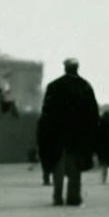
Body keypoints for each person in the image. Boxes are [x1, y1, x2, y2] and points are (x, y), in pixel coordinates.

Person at [40, 58, 98, 207]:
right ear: (77, 68)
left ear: (65, 68)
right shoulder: (84, 86)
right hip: (77, 135)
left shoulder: (54, 86)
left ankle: (57, 197)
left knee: (58, 166)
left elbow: (46, 112)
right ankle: (74, 198)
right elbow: (92, 113)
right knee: (75, 169)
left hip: (57, 133)